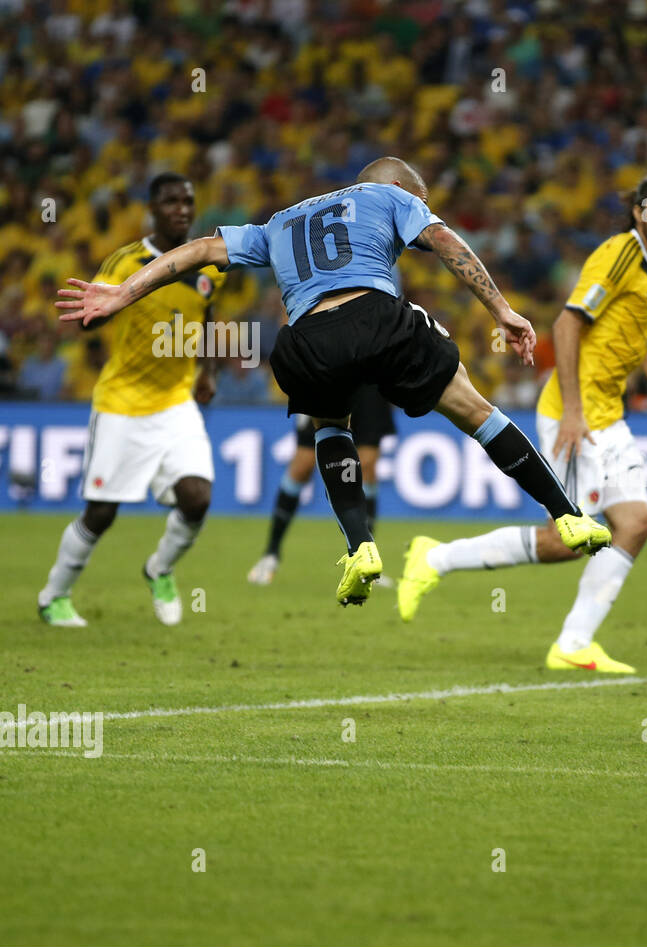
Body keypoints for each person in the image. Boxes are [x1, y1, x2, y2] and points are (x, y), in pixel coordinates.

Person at [57, 157, 610, 607]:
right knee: (473, 408)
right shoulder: (389, 196)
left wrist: (122, 292)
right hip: (376, 317)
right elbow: (446, 242)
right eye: (419, 201)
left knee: (330, 426)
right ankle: (566, 515)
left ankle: (360, 546)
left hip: (304, 342)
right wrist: (501, 310)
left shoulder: (278, 223)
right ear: (399, 187)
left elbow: (199, 251)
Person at [396, 172, 647, 672]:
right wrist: (575, 414)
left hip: (609, 416)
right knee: (566, 540)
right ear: (639, 212)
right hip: (575, 414)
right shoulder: (620, 253)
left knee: (635, 524)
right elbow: (566, 324)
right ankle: (435, 559)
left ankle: (574, 643)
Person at [38, 173, 225, 627]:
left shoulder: (206, 265)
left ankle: (159, 568)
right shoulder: (127, 261)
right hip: (122, 403)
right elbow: (95, 310)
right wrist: (97, 313)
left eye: (188, 201)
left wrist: (208, 370)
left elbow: (208, 319)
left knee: (197, 497)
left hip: (176, 402)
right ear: (152, 209)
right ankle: (53, 595)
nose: (182, 209)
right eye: (171, 201)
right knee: (102, 513)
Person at [248, 385, 395, 585]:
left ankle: (366, 560)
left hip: (369, 382)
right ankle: (270, 554)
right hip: (327, 379)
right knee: (302, 465)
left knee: (367, 466)